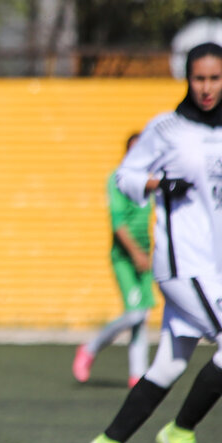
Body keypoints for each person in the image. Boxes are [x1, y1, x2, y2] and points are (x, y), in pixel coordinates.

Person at [83, 42, 222, 443]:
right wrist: (157, 182)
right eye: (199, 78)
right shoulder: (166, 129)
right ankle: (180, 432)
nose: (206, 88)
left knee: (169, 363)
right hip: (181, 261)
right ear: (187, 78)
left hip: (214, 260)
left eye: (215, 79)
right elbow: (125, 176)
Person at [73, 133, 155, 388]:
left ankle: (137, 376)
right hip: (125, 257)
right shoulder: (118, 180)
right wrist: (136, 254)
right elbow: (118, 225)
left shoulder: (152, 182)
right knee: (134, 314)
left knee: (142, 317)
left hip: (147, 256)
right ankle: (91, 348)